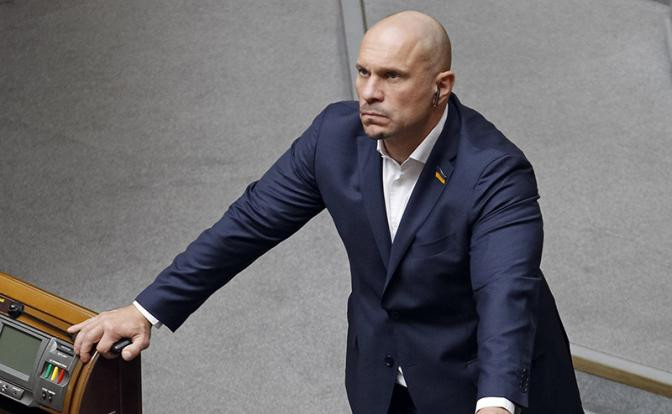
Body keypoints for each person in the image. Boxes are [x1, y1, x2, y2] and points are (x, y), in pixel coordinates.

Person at [68, 10, 583, 414]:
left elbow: (504, 295)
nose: (369, 93)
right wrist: (145, 310)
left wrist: (494, 403)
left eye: (392, 76)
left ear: (440, 87)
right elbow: (248, 224)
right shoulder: (334, 138)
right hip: (381, 378)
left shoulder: (496, 172)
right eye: (363, 72)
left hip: (475, 385)